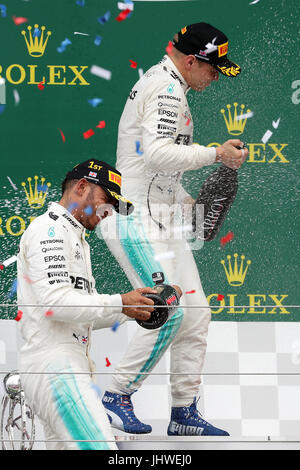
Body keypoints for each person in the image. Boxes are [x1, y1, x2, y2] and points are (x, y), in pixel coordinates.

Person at [100, 22, 248, 436]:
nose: (216, 77)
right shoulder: (166, 90)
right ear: (191, 60)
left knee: (196, 313)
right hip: (135, 219)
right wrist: (216, 152)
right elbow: (161, 154)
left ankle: (183, 411)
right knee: (167, 309)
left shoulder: (170, 85)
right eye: (214, 69)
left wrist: (187, 204)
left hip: (158, 216)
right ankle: (116, 395)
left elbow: (156, 169)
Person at [17, 159, 181, 450]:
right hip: (56, 368)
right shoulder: (49, 230)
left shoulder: (77, 238)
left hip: (66, 367)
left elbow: (83, 316)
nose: (107, 214)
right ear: (81, 187)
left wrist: (137, 307)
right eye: (106, 202)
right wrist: (121, 303)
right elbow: (55, 304)